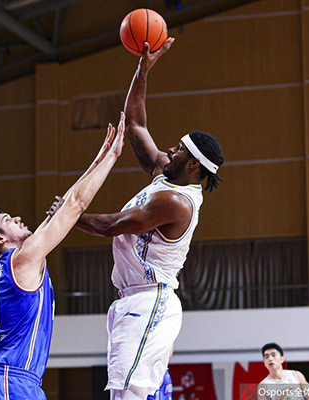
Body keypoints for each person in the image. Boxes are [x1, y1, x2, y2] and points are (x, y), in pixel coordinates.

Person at [74, 38, 225, 399]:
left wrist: (67, 213)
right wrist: (142, 70)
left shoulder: (176, 202)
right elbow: (136, 123)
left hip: (150, 300)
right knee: (125, 392)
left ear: (193, 164)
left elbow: (113, 225)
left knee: (128, 393)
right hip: (132, 298)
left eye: (179, 149)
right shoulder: (165, 173)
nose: (170, 149)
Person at [0, 113, 125, 400]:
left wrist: (98, 158)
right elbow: (75, 204)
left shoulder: (17, 261)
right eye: (8, 220)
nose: (17, 218)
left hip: (10, 381)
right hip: (11, 382)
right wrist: (113, 156)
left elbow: (64, 205)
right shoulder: (22, 260)